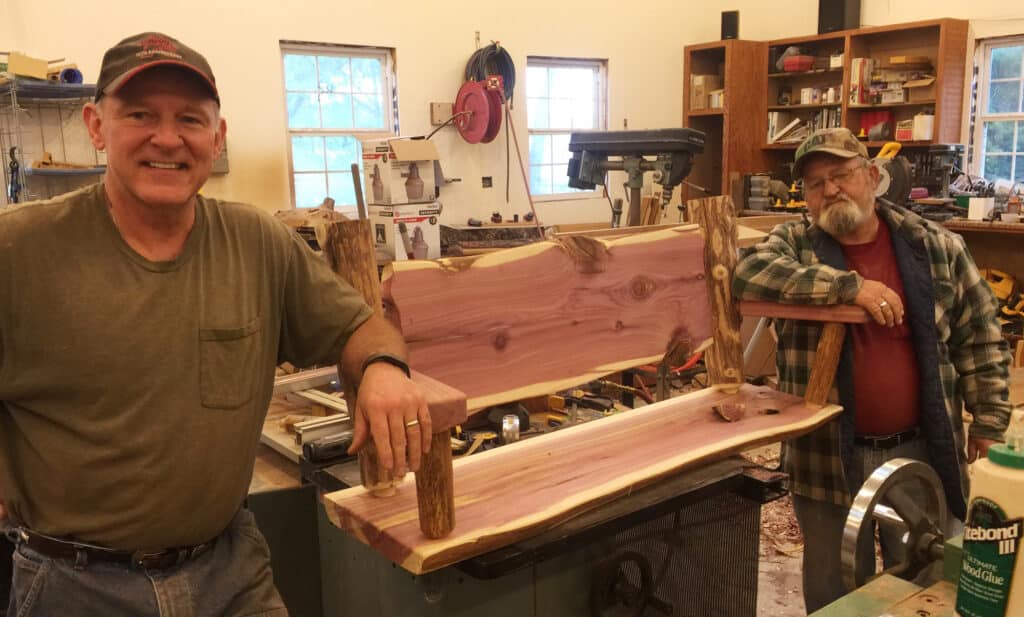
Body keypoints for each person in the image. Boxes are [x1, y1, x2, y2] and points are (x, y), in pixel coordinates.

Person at [0, 32, 431, 617]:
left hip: (228, 574)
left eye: (190, 119)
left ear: (217, 137)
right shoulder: (21, 249)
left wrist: (382, 368)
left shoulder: (256, 244)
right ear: (96, 127)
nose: (167, 138)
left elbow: (363, 328)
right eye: (140, 115)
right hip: (77, 588)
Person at [732, 127, 1011, 612]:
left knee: (925, 579)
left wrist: (989, 421)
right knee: (832, 587)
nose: (830, 190)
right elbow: (747, 274)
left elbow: (980, 336)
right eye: (815, 183)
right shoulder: (793, 243)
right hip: (825, 453)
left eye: (841, 174)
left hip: (920, 446)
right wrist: (849, 287)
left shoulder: (935, 246)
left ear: (872, 176)